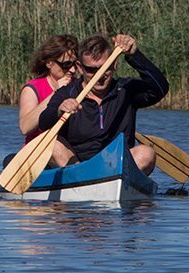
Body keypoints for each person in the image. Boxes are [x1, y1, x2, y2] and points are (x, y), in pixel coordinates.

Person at [36, 33, 168, 174]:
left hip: (117, 167)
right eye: (91, 69)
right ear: (80, 68)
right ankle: (83, 178)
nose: (99, 75)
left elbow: (160, 88)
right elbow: (43, 123)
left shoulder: (126, 89)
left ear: (114, 64)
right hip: (77, 167)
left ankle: (112, 179)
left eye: (105, 68)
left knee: (146, 152)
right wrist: (59, 111)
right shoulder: (66, 93)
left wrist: (134, 55)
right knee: (52, 144)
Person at [18, 35, 79, 168]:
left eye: (75, 64)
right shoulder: (32, 88)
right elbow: (25, 127)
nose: (72, 70)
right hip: (39, 153)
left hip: (69, 151)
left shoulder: (79, 86)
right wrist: (55, 94)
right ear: (49, 63)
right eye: (66, 65)